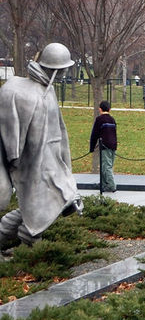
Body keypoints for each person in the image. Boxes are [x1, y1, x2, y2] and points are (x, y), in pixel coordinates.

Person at [0, 43, 83, 247]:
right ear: (53, 69)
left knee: (61, 199)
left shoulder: (48, 90)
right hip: (30, 161)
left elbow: (59, 130)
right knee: (41, 204)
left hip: (50, 160)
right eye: (62, 70)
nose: (64, 74)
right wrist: (14, 158)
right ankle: (26, 242)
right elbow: (10, 130)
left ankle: (24, 236)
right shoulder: (18, 90)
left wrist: (64, 162)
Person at [89, 100, 117, 192]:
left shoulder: (99, 119)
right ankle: (104, 184)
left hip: (105, 145)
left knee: (106, 167)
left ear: (100, 109)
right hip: (113, 145)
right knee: (107, 165)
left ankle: (112, 186)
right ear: (109, 109)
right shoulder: (112, 119)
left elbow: (94, 134)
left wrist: (92, 148)